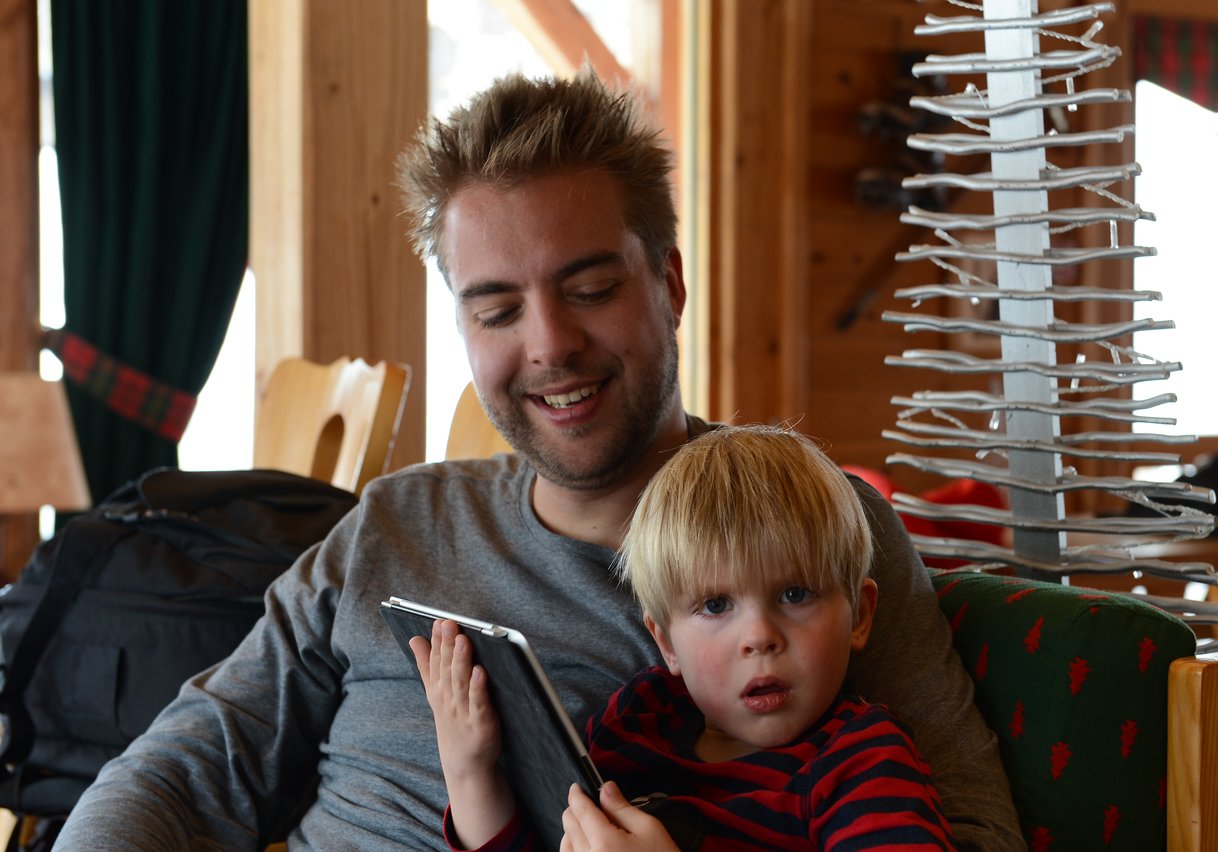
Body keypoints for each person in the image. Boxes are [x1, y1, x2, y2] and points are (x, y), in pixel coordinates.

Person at [53, 69, 1023, 850]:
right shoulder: (396, 524)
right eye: (496, 310)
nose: (548, 344)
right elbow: (191, 768)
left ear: (669, 283)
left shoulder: (807, 541)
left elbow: (972, 833)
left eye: (590, 286)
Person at [420, 424, 956, 850]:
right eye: (716, 605)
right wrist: (470, 772)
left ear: (858, 616)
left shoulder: (858, 763)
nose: (759, 637)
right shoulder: (639, 720)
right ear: (666, 642)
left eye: (795, 595)